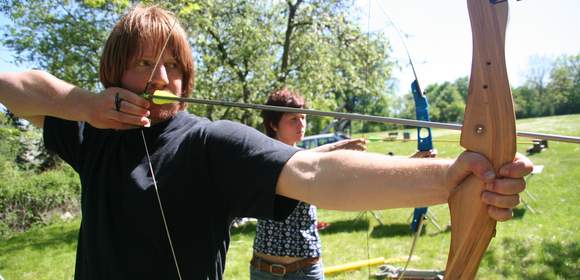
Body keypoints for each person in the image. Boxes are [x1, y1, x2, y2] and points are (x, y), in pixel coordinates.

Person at [0, 4, 533, 280]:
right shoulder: (92, 135)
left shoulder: (209, 143)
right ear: (116, 71)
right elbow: (13, 89)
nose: (161, 74)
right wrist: (83, 105)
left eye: (172, 64)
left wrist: (450, 179)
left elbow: (314, 174)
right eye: (143, 62)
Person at [250, 89, 366, 279]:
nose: (301, 124)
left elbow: (351, 180)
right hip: (263, 270)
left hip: (305, 270)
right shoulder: (262, 157)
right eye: (293, 119)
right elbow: (289, 161)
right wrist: (336, 147)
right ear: (273, 124)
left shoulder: (310, 159)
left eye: (303, 117)